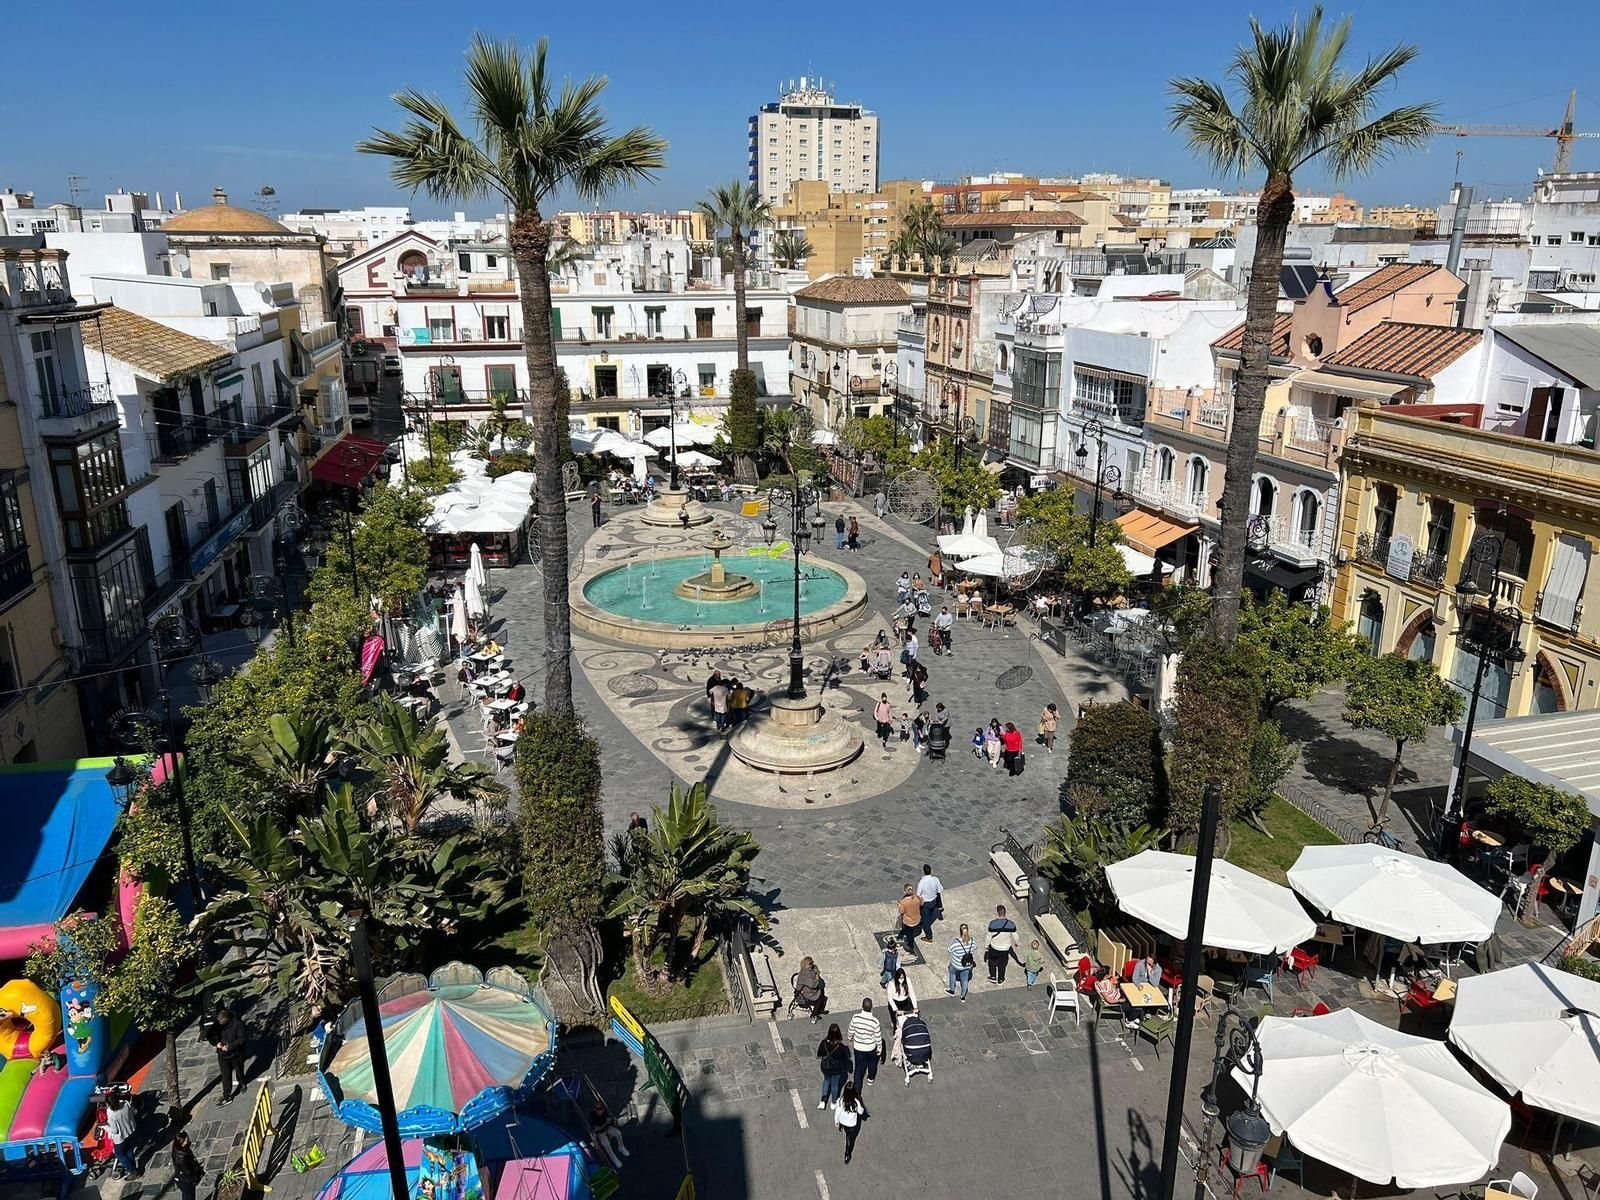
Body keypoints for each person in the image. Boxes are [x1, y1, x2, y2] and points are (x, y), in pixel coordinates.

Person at [212, 1007, 247, 1105]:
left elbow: (241, 1038)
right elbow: (211, 1035)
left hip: (236, 1053)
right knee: (225, 1075)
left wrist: (230, 1046)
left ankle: (242, 1082)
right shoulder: (218, 1024)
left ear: (227, 1018)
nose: (220, 1022)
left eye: (222, 1020)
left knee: (239, 1070)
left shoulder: (237, 1024)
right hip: (223, 1054)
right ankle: (226, 1096)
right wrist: (216, 1043)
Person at [846, 1000, 884, 1092]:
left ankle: (857, 1091)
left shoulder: (855, 1018)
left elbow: (850, 1030)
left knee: (858, 1068)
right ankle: (870, 1079)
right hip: (871, 1047)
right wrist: (880, 1048)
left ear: (862, 1006)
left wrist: (850, 1038)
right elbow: (878, 1037)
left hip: (858, 1047)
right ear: (871, 1008)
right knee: (872, 1064)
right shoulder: (875, 1022)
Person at [104, 1094, 140, 1178]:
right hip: (131, 1131)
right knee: (129, 1151)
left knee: (119, 1154)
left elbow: (114, 1130)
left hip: (120, 1138)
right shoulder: (126, 1104)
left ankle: (132, 1170)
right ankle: (134, 1168)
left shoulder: (111, 1114)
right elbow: (134, 1112)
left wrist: (104, 1126)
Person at [816, 1024, 851, 1110]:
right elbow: (844, 1059)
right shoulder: (841, 1047)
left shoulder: (823, 1043)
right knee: (835, 1085)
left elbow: (819, 1054)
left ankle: (823, 1101)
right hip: (836, 1069)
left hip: (825, 1067)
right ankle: (834, 1102)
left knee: (826, 1081)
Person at [588, 1098, 629, 1169]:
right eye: (598, 1110)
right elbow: (592, 1125)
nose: (600, 1111)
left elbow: (608, 1117)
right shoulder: (592, 1115)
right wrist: (596, 1127)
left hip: (607, 1128)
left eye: (601, 1109)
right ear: (595, 1109)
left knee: (618, 1133)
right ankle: (614, 1159)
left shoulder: (605, 1112)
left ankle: (621, 1147)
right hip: (600, 1132)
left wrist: (610, 1119)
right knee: (606, 1144)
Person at [834, 1085, 868, 1164]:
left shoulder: (841, 1100)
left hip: (843, 1122)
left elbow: (837, 1112)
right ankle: (847, 1153)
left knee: (848, 1136)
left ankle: (847, 1151)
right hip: (852, 1124)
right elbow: (861, 1112)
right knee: (851, 1139)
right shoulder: (856, 1102)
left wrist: (836, 1121)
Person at [986, 905, 1019, 984]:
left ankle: (993, 976)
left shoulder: (992, 923)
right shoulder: (1011, 924)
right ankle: (1001, 979)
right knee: (1002, 964)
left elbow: (988, 936)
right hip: (1005, 949)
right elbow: (1016, 936)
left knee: (992, 962)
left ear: (998, 913)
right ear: (1005, 912)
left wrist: (987, 946)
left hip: (994, 947)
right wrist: (1016, 943)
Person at [946, 923, 977, 1000]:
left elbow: (949, 950)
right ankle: (963, 996)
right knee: (965, 979)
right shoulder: (972, 941)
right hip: (967, 965)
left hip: (956, 964)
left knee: (952, 974)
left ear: (960, 931)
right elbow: (975, 947)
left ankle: (952, 990)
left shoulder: (956, 942)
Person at [171, 1130, 204, 1200]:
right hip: (187, 1183)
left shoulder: (178, 1150)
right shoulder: (182, 1158)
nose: (189, 1141)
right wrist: (196, 1173)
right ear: (181, 1143)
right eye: (187, 1140)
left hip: (182, 1181)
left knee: (186, 1195)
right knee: (190, 1196)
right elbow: (188, 1172)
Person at [915, 863, 943, 942]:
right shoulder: (936, 879)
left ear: (923, 871)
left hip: (926, 904)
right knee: (930, 915)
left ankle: (929, 936)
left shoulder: (922, 882)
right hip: (933, 902)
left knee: (925, 922)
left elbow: (918, 894)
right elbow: (940, 890)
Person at [793, 957, 826, 1022]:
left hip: (810, 990)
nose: (812, 965)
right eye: (810, 964)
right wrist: (817, 978)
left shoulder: (811, 968)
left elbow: (816, 970)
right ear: (806, 965)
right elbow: (813, 985)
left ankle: (819, 1009)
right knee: (820, 997)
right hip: (805, 993)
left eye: (812, 963)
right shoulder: (804, 974)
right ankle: (814, 1014)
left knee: (821, 991)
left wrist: (816, 974)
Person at [896, 884, 922, 953]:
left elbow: (901, 912)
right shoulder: (917, 897)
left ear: (905, 891)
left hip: (909, 921)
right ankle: (900, 935)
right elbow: (922, 903)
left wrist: (899, 905)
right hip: (917, 918)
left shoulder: (904, 901)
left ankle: (911, 946)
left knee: (909, 935)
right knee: (905, 929)